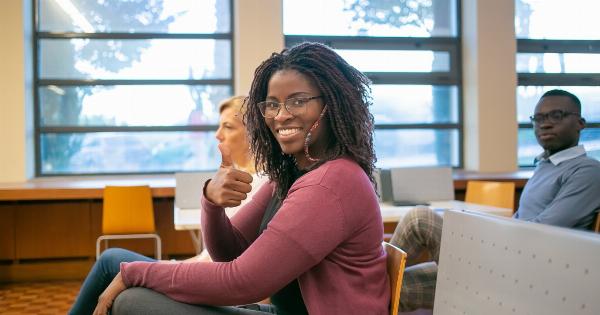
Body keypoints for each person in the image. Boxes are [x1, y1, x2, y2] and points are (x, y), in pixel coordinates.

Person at [77, 42, 389, 315]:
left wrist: (137, 274)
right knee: (114, 260)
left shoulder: (330, 183)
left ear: (331, 104)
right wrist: (211, 201)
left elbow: (243, 282)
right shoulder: (295, 173)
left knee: (132, 300)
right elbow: (228, 252)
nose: (280, 115)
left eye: (297, 101)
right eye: (272, 104)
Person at [391, 89, 600, 311]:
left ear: (580, 123)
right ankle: (367, 283)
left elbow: (542, 232)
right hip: (506, 261)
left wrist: (486, 239)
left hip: (528, 274)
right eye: (538, 118)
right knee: (393, 287)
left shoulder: (587, 171)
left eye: (556, 115)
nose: (545, 124)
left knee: (419, 218)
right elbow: (520, 222)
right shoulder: (545, 166)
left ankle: (365, 279)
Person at [68, 95, 267, 314]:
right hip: (201, 269)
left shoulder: (259, 185)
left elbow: (225, 263)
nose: (218, 135)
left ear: (254, 132)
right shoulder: (239, 179)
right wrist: (172, 264)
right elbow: (213, 256)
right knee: (113, 266)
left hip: (210, 279)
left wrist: (170, 267)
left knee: (110, 261)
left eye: (228, 127)